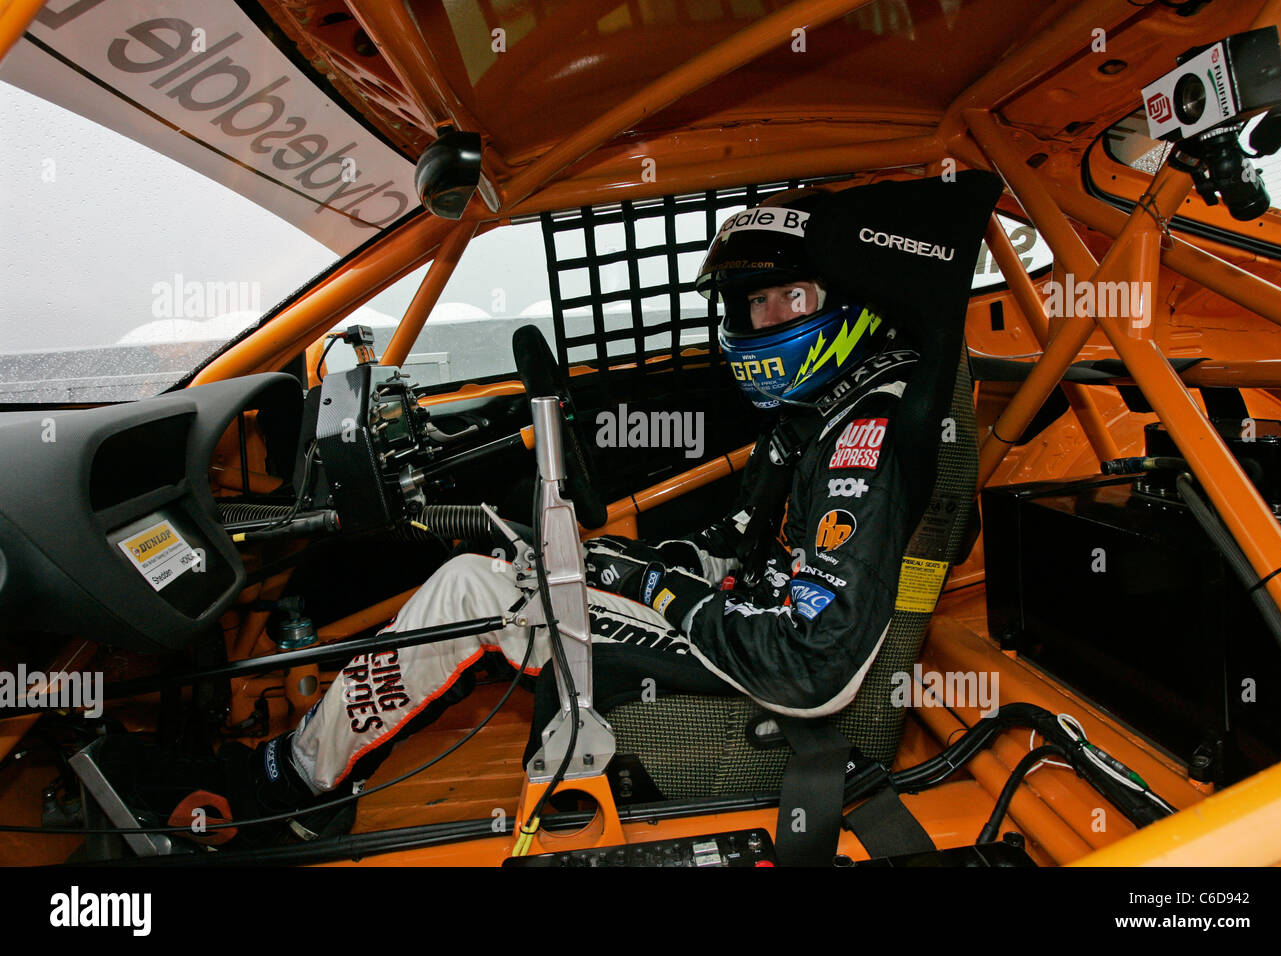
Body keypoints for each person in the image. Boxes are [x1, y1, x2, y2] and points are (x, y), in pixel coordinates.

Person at [104, 185, 957, 845]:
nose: (764, 320)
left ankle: (291, 788)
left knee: (478, 589)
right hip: (747, 627)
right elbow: (742, 557)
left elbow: (813, 668)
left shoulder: (866, 438)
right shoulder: (821, 414)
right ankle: (299, 765)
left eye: (789, 301)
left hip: (771, 677)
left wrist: (651, 586)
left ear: (849, 301)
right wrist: (641, 566)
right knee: (525, 566)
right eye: (755, 305)